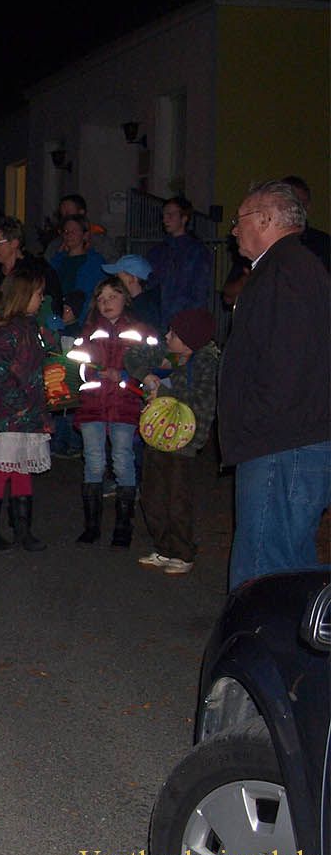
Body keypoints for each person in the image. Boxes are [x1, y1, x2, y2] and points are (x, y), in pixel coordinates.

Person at [219, 180, 331, 591]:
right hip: (289, 440)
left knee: (265, 572)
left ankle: (265, 633)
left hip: (281, 444)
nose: (234, 230)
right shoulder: (289, 267)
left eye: (240, 220)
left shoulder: (285, 272)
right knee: (287, 565)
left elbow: (287, 362)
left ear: (266, 219)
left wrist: (255, 425)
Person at [124, 309, 220, 575]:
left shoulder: (205, 363)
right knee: (152, 494)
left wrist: (164, 391)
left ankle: (182, 551)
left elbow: (201, 402)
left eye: (174, 334)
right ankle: (164, 547)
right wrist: (147, 376)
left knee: (177, 497)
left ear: (190, 341)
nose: (167, 336)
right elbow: (132, 356)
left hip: (184, 441)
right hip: (158, 434)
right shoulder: (172, 354)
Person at [67, 277, 156, 548]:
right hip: (93, 404)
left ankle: (123, 526)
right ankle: (92, 526)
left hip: (124, 404)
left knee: (122, 460)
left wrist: (125, 376)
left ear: (125, 299)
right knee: (94, 461)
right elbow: (76, 364)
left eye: (112, 297)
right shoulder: (89, 331)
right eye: (101, 298)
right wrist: (92, 372)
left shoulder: (139, 331)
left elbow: (150, 364)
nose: (106, 303)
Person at [0, 263, 56, 552]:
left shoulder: (31, 329)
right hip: (10, 415)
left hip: (29, 411)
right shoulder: (7, 332)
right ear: (23, 296)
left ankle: (22, 528)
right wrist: (20, 403)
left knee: (22, 467)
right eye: (38, 294)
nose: (42, 299)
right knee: (2, 469)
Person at [146, 196, 213, 330]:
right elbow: (150, 283)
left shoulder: (196, 251)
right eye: (164, 215)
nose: (165, 219)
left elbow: (199, 290)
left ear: (184, 218)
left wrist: (190, 320)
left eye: (170, 215)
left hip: (184, 318)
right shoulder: (158, 251)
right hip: (158, 318)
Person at [51, 215, 107, 323]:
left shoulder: (95, 262)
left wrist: (81, 318)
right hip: (56, 318)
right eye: (66, 231)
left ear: (85, 235)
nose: (69, 235)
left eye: (74, 231)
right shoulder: (57, 261)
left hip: (81, 320)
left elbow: (95, 294)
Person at [101, 254, 162, 336]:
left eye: (118, 276)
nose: (115, 281)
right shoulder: (135, 304)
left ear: (133, 278)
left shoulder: (148, 308)